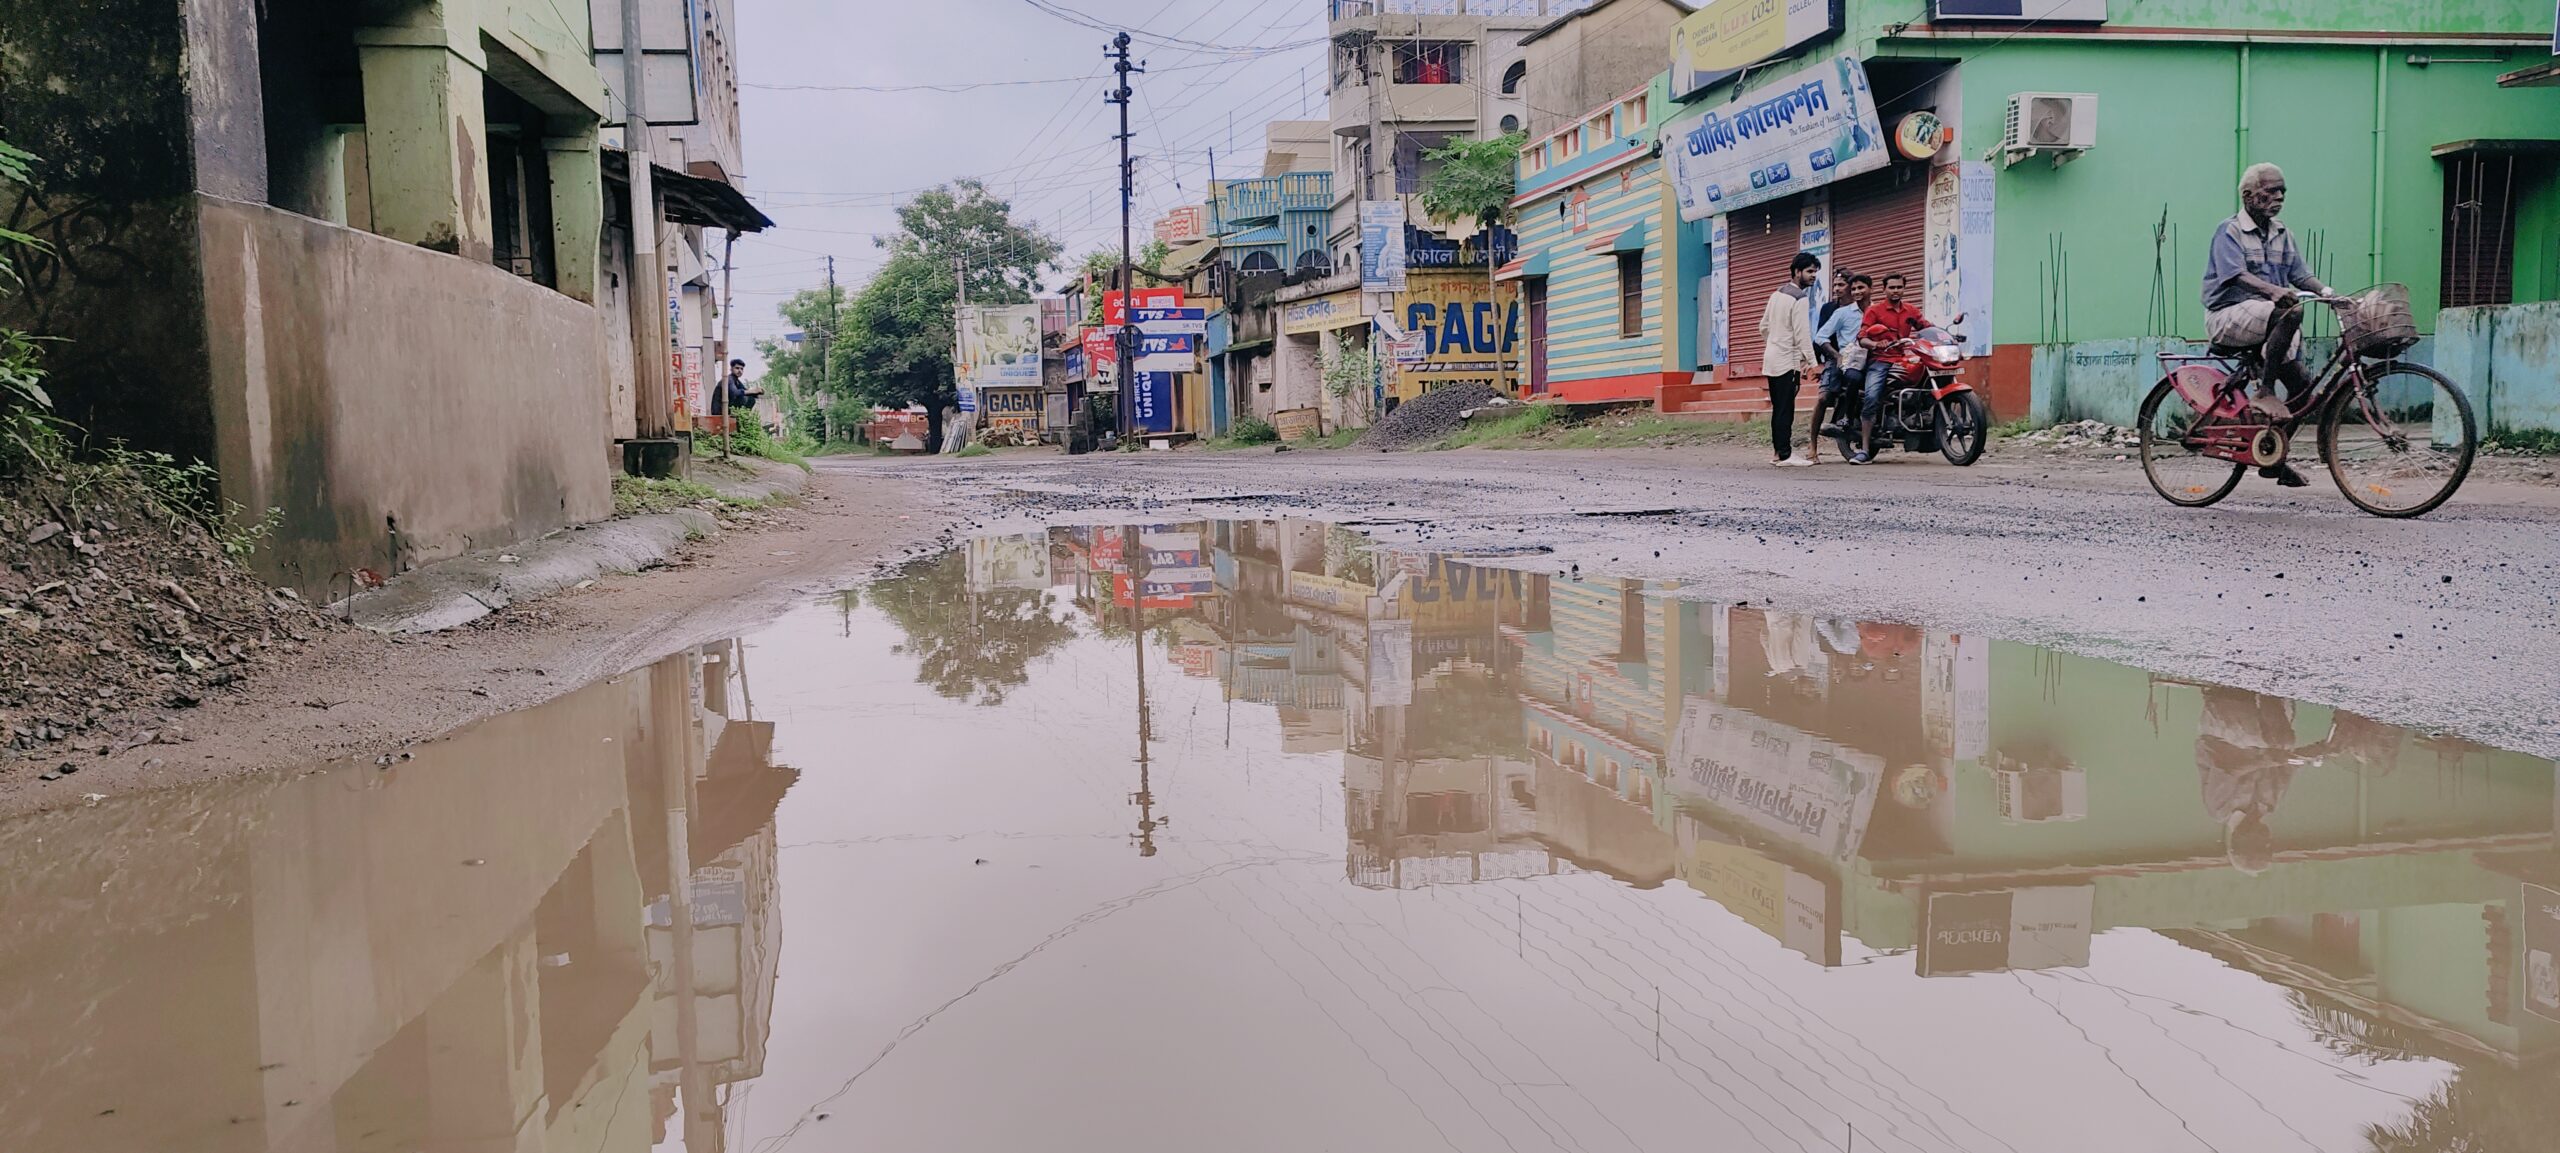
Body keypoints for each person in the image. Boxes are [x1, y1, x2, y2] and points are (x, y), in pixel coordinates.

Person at [2203, 162, 2331, 487]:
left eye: (2282, 191)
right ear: (2248, 195)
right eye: (2270, 191)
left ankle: (2274, 458)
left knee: (2304, 390)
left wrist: (2330, 294)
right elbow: (2234, 275)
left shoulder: (2282, 233)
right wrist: (2274, 291)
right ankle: (2266, 390)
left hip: (2270, 320)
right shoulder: (2229, 231)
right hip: (2227, 316)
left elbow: (2301, 275)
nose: (2279, 197)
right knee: (2291, 310)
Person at [1852, 273, 1960, 464]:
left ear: (1904, 288)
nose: (1895, 291)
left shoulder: (1910, 310)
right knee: (1872, 395)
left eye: (1899, 287)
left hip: (1904, 357)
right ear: (1884, 289)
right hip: (1881, 359)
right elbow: (1862, 336)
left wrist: (1944, 336)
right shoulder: (1874, 310)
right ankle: (1865, 449)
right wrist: (1875, 344)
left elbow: (1926, 326)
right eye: (1891, 288)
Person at [1760, 252, 1822, 467]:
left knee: (1779, 408)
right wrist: (1814, 364)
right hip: (1787, 361)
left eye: (1815, 272)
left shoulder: (1777, 294)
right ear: (1797, 272)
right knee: (1785, 408)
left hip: (1772, 358)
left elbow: (1763, 327)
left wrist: (1775, 342)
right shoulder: (1800, 298)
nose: (1813, 276)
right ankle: (1784, 455)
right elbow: (1802, 334)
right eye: (1810, 271)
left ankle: (1779, 453)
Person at [1808, 273, 1872, 464]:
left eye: (1841, 285)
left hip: (1869, 357)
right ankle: (1813, 445)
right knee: (1824, 397)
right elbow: (1820, 337)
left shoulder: (1875, 310)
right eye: (1835, 285)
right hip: (1839, 358)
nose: (1837, 289)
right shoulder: (1833, 310)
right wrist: (1832, 357)